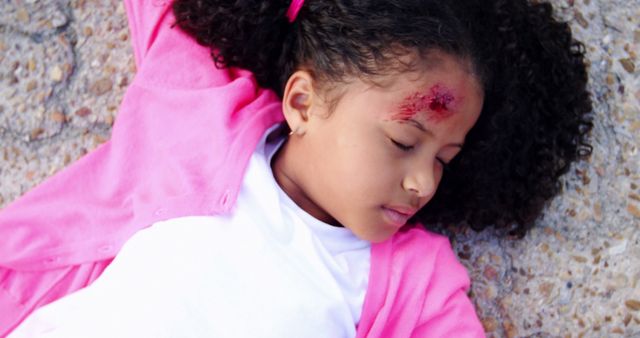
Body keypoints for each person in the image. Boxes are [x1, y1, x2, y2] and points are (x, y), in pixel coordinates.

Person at [0, 0, 592, 336]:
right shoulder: (208, 117)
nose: (423, 182)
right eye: (403, 141)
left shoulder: (411, 279)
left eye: (444, 159)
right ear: (303, 102)